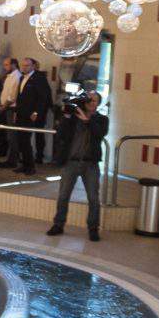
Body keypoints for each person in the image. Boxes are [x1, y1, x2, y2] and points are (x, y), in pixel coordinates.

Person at [46, 90, 109, 240]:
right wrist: (67, 117)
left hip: (90, 164)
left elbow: (100, 133)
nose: (91, 102)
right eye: (89, 100)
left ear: (98, 104)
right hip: (71, 162)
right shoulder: (73, 117)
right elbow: (60, 134)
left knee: (93, 198)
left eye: (94, 100)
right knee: (63, 196)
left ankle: (93, 228)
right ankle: (58, 224)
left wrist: (87, 121)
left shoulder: (102, 119)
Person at [11, 58, 52, 175]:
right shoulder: (21, 78)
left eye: (27, 65)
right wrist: (16, 112)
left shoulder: (39, 78)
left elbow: (43, 97)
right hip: (21, 113)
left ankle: (30, 167)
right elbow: (20, 97)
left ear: (33, 66)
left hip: (30, 114)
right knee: (21, 140)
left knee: (26, 140)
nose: (24, 67)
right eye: (23, 65)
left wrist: (36, 112)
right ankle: (25, 164)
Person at [0, 57, 22, 160]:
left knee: (12, 135)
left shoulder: (17, 76)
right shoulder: (9, 76)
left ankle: (13, 158)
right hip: (5, 107)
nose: (4, 67)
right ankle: (9, 156)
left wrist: (4, 106)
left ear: (13, 65)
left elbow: (12, 96)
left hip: (11, 108)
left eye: (6, 65)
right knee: (7, 134)